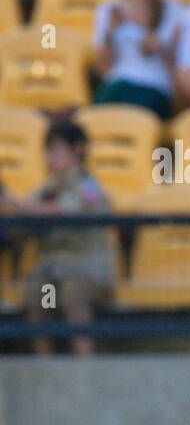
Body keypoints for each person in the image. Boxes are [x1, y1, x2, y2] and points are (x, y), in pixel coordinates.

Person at [0, 120, 114, 358]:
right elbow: (27, 221)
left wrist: (14, 202)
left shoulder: (89, 187)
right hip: (54, 274)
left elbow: (57, 211)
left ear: (78, 149)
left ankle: (85, 367)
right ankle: (48, 364)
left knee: (74, 295)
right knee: (39, 296)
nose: (50, 157)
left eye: (56, 150)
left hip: (86, 270)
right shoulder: (46, 188)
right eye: (48, 150)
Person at [92, 0, 185, 119]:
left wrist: (159, 48)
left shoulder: (175, 10)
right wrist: (109, 34)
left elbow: (180, 70)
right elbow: (104, 69)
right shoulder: (110, 10)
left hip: (155, 87)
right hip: (117, 85)